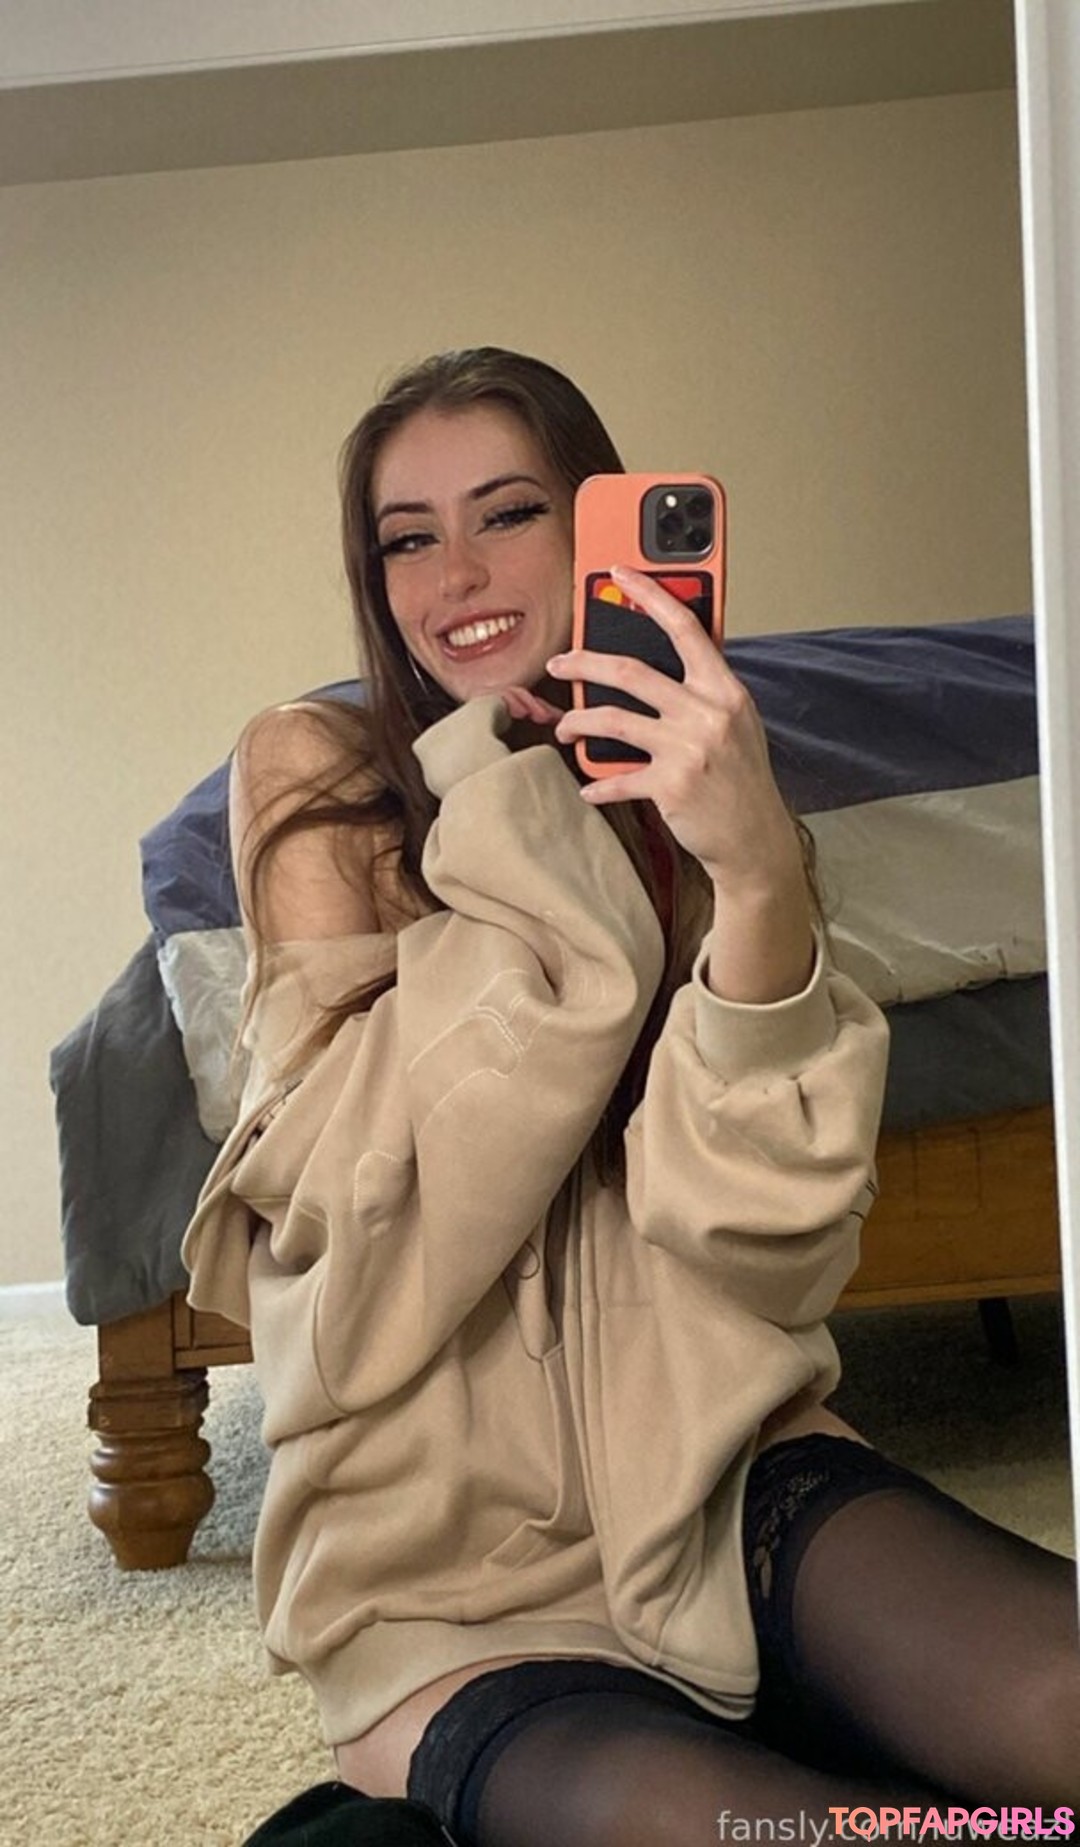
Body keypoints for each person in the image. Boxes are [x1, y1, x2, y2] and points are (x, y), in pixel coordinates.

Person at [183, 348, 1079, 1847]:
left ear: (596, 526)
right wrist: (526, 793)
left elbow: (761, 1257)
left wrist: (755, 871)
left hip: (724, 1468)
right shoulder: (316, 772)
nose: (456, 576)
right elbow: (372, 1235)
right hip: (446, 1568)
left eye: (508, 513)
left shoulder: (702, 793)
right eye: (407, 538)